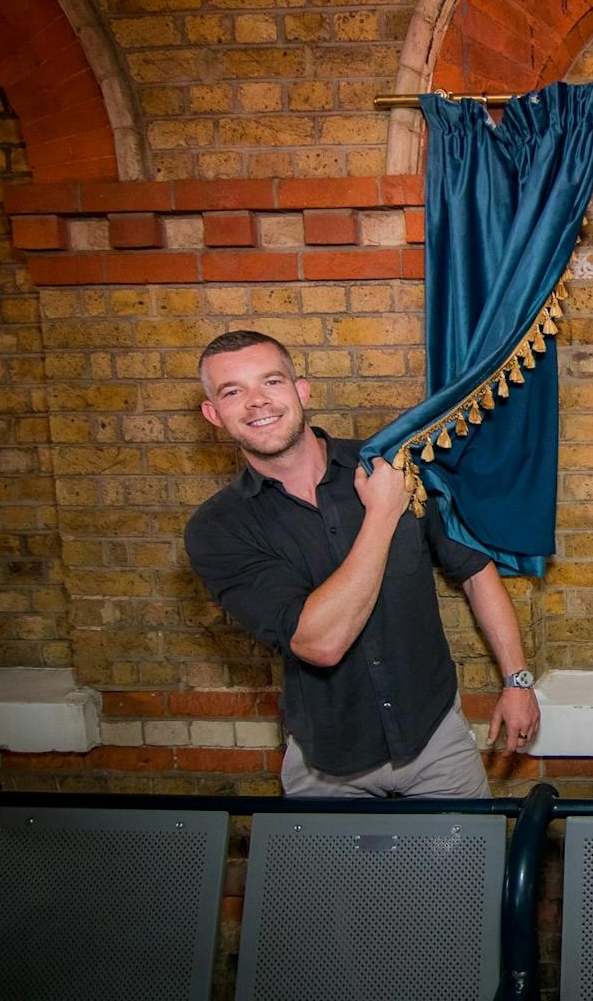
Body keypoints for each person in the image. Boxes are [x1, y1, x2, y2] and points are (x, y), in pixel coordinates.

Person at [184, 330, 540, 797]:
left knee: (468, 869)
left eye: (271, 382)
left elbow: (474, 572)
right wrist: (381, 514)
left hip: (436, 741)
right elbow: (320, 643)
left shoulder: (389, 468)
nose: (256, 402)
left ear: (301, 390)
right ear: (213, 413)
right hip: (326, 762)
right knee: (334, 875)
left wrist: (517, 681)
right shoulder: (219, 528)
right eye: (233, 391)